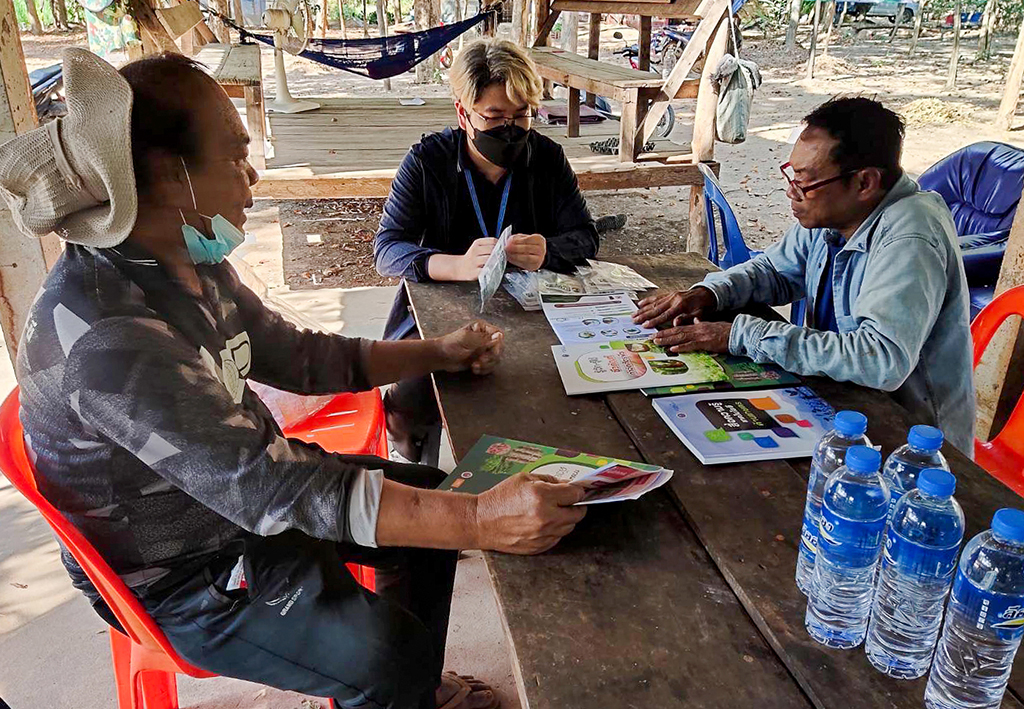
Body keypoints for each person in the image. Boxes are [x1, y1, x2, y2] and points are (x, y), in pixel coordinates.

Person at [3, 49, 587, 709]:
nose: (251, 175)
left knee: (430, 501)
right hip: (182, 570)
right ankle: (399, 681)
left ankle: (409, 690)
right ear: (172, 176)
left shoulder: (179, 256)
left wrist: (438, 353)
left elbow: (302, 357)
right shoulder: (111, 338)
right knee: (385, 645)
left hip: (237, 503)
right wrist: (481, 517)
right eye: (234, 155)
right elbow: (268, 486)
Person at [634, 97, 975, 453]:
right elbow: (774, 271)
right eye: (791, 175)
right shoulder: (833, 214)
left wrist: (740, 334)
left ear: (865, 183)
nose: (791, 192)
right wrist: (709, 293)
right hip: (841, 402)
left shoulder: (911, 235)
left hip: (912, 442)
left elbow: (880, 359)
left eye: (805, 181)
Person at [374, 38, 599, 463]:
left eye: (521, 116)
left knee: (550, 383)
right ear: (463, 112)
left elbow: (586, 236)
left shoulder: (547, 158)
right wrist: (455, 264)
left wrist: (547, 249)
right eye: (494, 117)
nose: (509, 129)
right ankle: (410, 453)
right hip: (439, 301)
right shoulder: (427, 161)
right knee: (415, 390)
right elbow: (387, 248)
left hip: (526, 306)